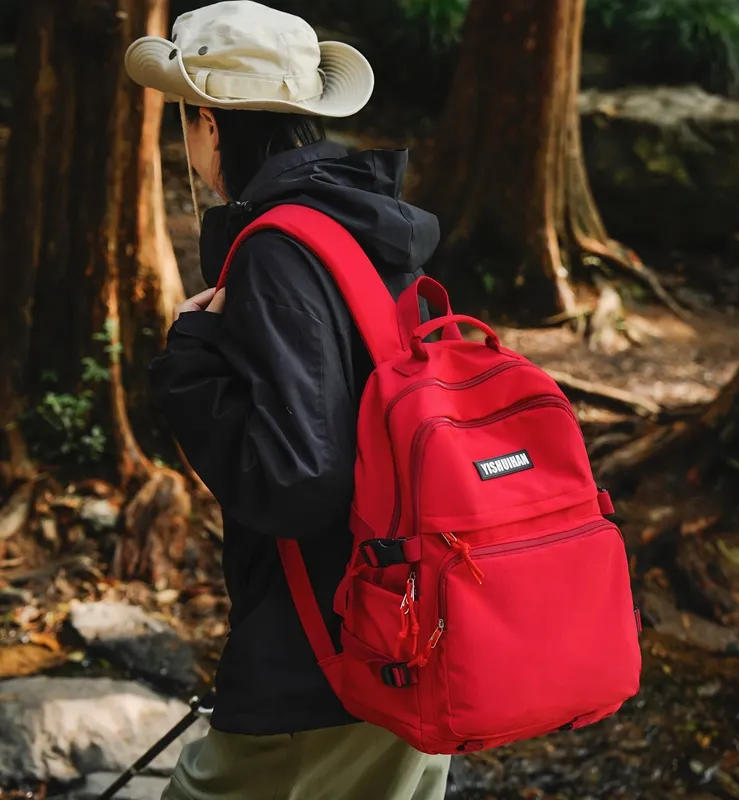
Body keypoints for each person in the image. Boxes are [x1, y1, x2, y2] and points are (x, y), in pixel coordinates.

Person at [125, 1, 450, 798]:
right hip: (411, 627)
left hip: (329, 662)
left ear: (208, 125)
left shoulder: (278, 249)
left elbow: (300, 478)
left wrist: (191, 363)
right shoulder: (366, 223)